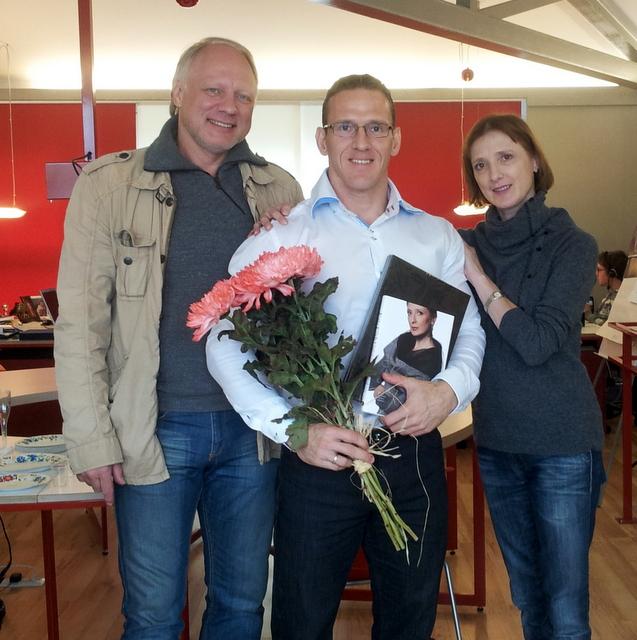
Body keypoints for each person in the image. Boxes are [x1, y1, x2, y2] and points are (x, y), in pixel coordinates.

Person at [206, 74, 485, 640]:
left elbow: (470, 328)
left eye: (376, 127)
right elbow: (222, 340)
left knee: (410, 622)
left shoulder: (436, 236)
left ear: (396, 138)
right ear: (322, 138)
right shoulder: (280, 235)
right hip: (318, 457)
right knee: (301, 623)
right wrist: (292, 429)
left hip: (411, 453)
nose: (361, 141)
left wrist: (448, 392)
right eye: (346, 127)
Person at [54, 37, 303, 639]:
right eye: (214, 89)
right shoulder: (109, 186)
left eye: (243, 95)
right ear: (177, 93)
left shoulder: (280, 190)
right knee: (153, 615)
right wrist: (92, 438)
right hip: (152, 428)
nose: (229, 105)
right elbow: (81, 324)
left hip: (253, 432)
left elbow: (304, 313)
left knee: (242, 606)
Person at [459, 114, 605, 640]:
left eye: (506, 157)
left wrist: (478, 277)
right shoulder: (466, 241)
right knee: (526, 595)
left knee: (565, 606)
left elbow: (539, 342)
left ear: (535, 161)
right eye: (480, 165)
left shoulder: (574, 244)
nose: (494, 174)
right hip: (498, 440)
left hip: (562, 444)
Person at [369, 302, 443, 414]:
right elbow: (382, 364)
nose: (412, 320)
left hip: (401, 416)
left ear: (433, 319)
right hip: (372, 406)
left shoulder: (432, 359)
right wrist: (376, 386)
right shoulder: (404, 339)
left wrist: (384, 399)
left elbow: (411, 397)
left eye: (419, 313)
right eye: (409, 312)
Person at [585, 249, 628, 325]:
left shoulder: (622, 299)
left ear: (612, 273)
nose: (596, 273)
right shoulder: (609, 297)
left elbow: (608, 325)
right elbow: (599, 318)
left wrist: (588, 314)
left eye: (599, 270)